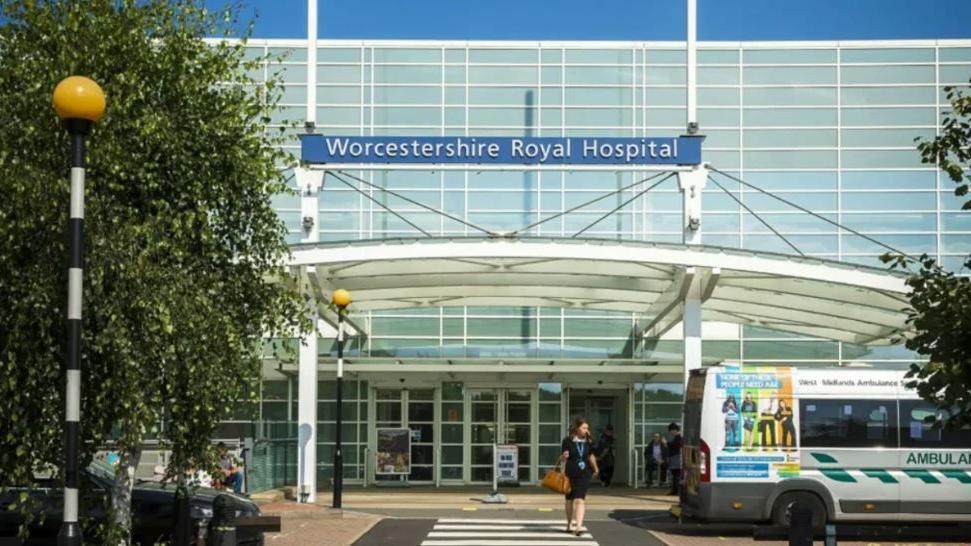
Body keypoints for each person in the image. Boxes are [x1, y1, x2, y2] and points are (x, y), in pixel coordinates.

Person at [561, 418, 599, 537]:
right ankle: (569, 523)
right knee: (569, 499)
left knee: (580, 499)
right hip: (571, 472)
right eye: (584, 428)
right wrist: (564, 457)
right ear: (577, 428)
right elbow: (563, 457)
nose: (586, 430)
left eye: (587, 428)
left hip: (584, 473)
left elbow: (591, 455)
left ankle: (578, 526)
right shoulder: (568, 441)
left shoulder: (589, 441)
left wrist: (596, 468)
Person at [666, 422, 683, 497]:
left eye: (671, 431)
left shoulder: (679, 437)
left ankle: (676, 490)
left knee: (676, 474)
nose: (670, 433)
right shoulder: (678, 437)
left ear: (674, 430)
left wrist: (666, 443)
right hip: (675, 457)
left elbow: (675, 445)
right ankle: (675, 490)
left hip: (676, 457)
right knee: (675, 475)